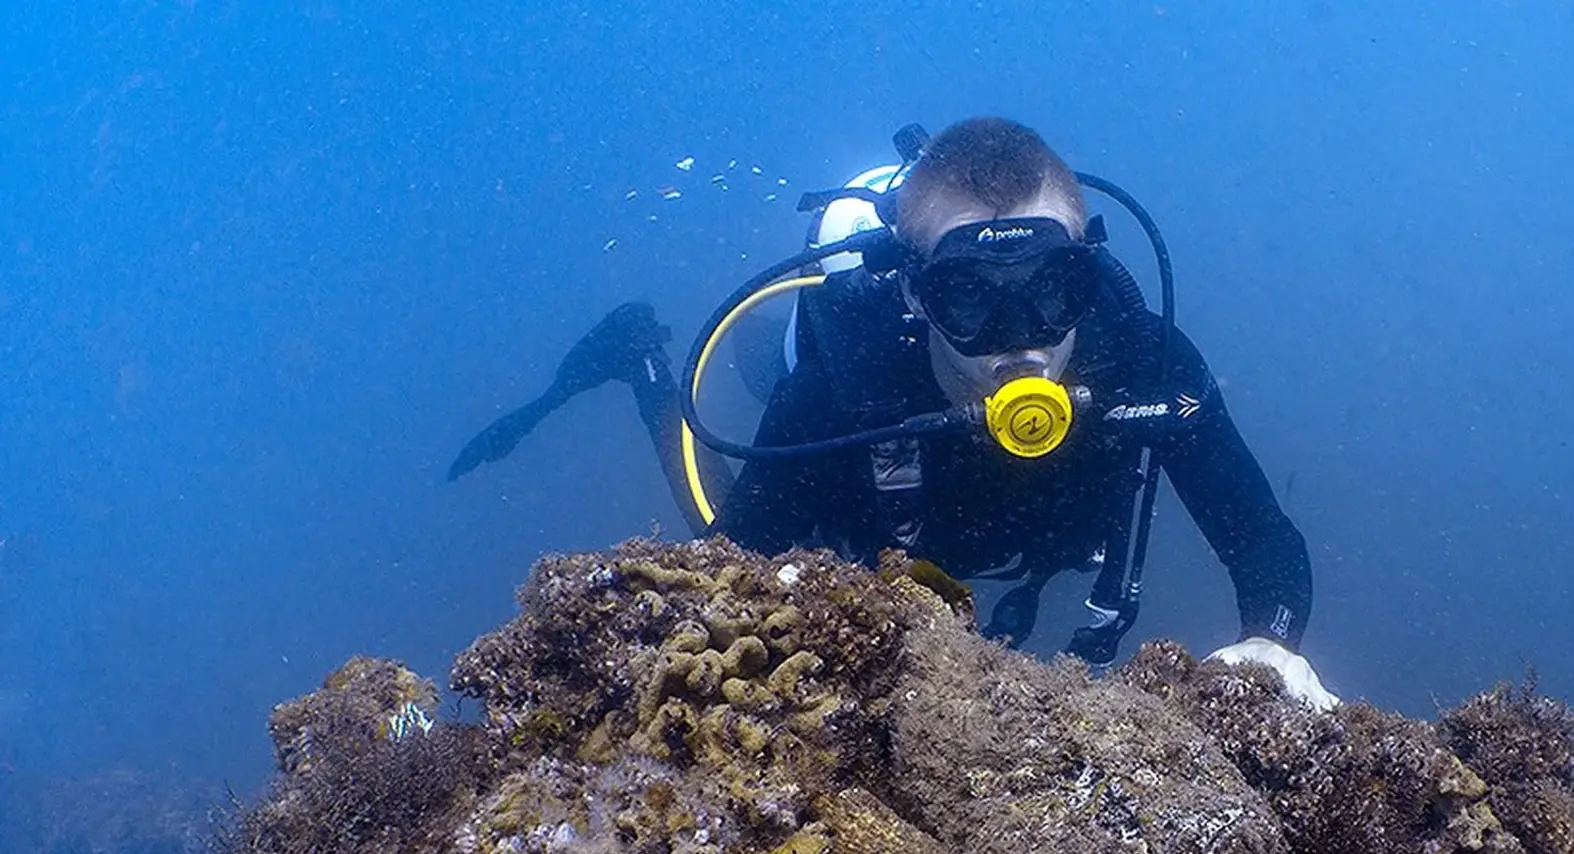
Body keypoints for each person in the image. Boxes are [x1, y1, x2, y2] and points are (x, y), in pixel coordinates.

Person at [452, 118, 1336, 710]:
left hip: (1002, 531)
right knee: (710, 521)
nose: (1019, 345)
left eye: (1052, 292)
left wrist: (1269, 645)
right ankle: (645, 362)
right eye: (971, 301)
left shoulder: (1146, 357)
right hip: (862, 503)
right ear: (914, 293)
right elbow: (730, 574)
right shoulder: (850, 379)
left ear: (1089, 276)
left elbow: (1265, 540)